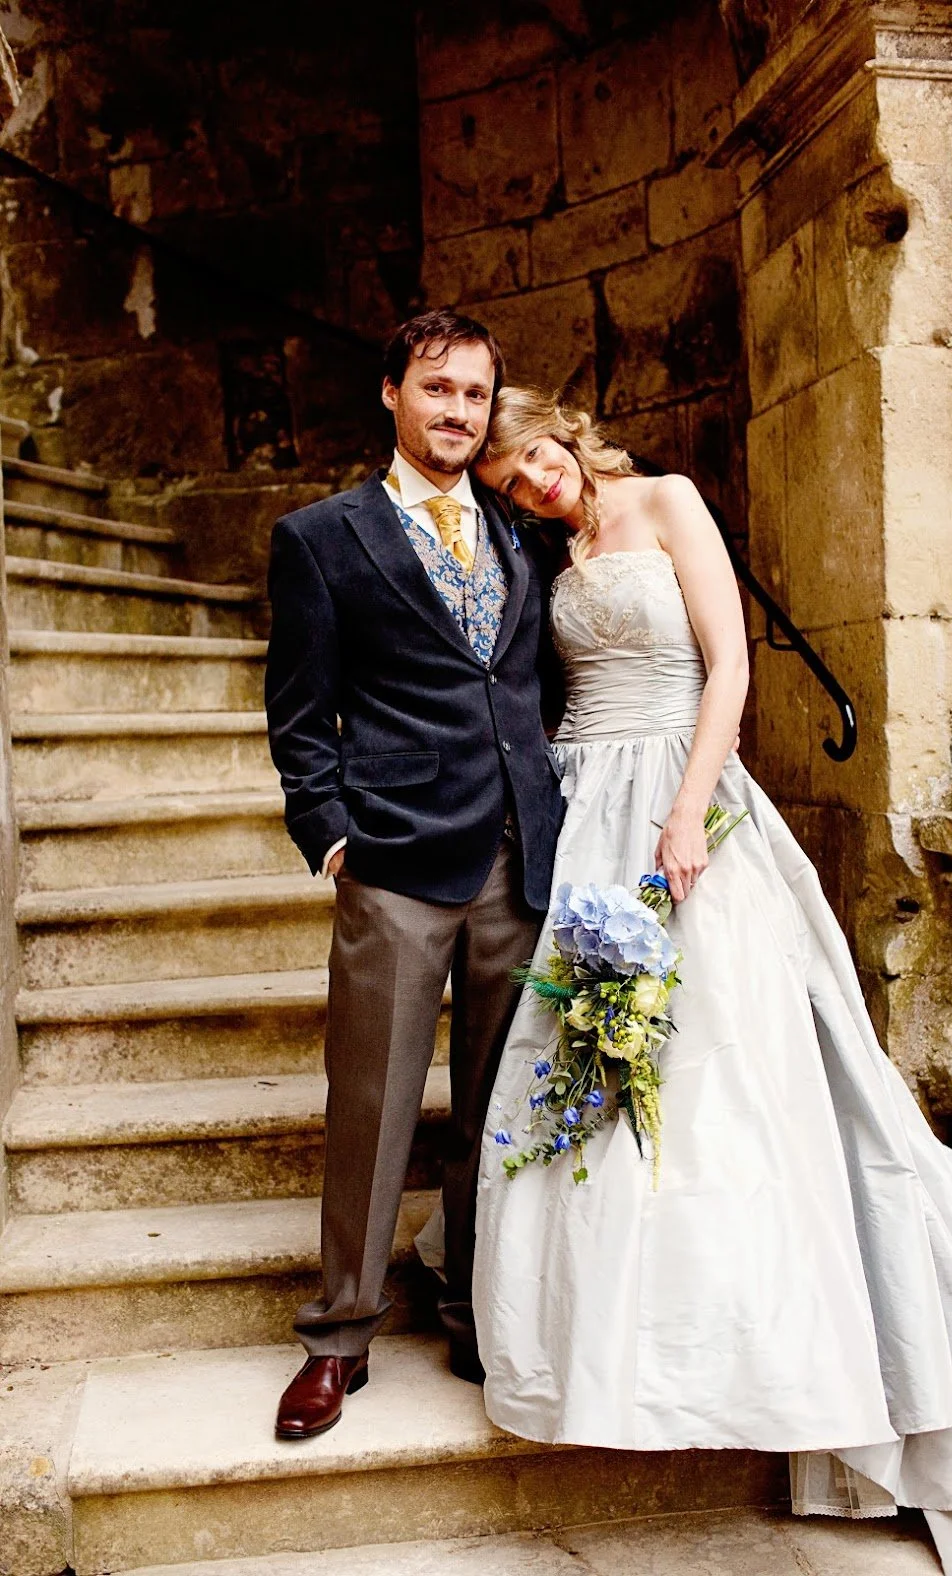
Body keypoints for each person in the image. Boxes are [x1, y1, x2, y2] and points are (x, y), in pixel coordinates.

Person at [471, 385, 952, 1576]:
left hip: (684, 804)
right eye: (506, 483)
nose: (530, 485)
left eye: (529, 458)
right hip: (585, 816)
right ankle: (606, 1343)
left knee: (725, 1067)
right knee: (594, 1061)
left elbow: (729, 667)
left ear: (557, 430)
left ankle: (773, 1345)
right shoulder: (552, 553)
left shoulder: (668, 499)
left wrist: (688, 812)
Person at [264, 315, 564, 1440]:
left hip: (517, 861)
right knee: (374, 1104)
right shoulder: (321, 537)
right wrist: (331, 831)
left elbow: (542, 687)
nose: (459, 413)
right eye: (438, 389)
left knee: (497, 1106)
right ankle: (339, 1336)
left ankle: (475, 1311)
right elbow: (299, 711)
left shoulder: (520, 533)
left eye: (478, 395)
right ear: (391, 393)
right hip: (393, 859)